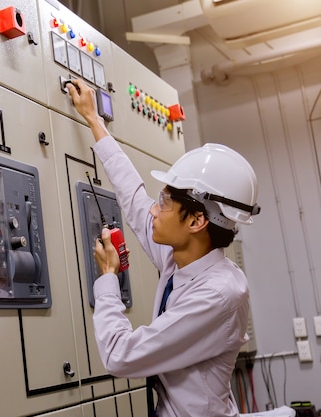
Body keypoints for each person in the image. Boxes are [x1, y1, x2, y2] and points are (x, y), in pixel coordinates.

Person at [66, 78, 261, 417]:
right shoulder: (182, 258)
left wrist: (109, 280)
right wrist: (94, 120)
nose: (154, 209)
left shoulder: (219, 295)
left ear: (197, 220)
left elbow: (120, 356)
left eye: (166, 202)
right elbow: (133, 199)